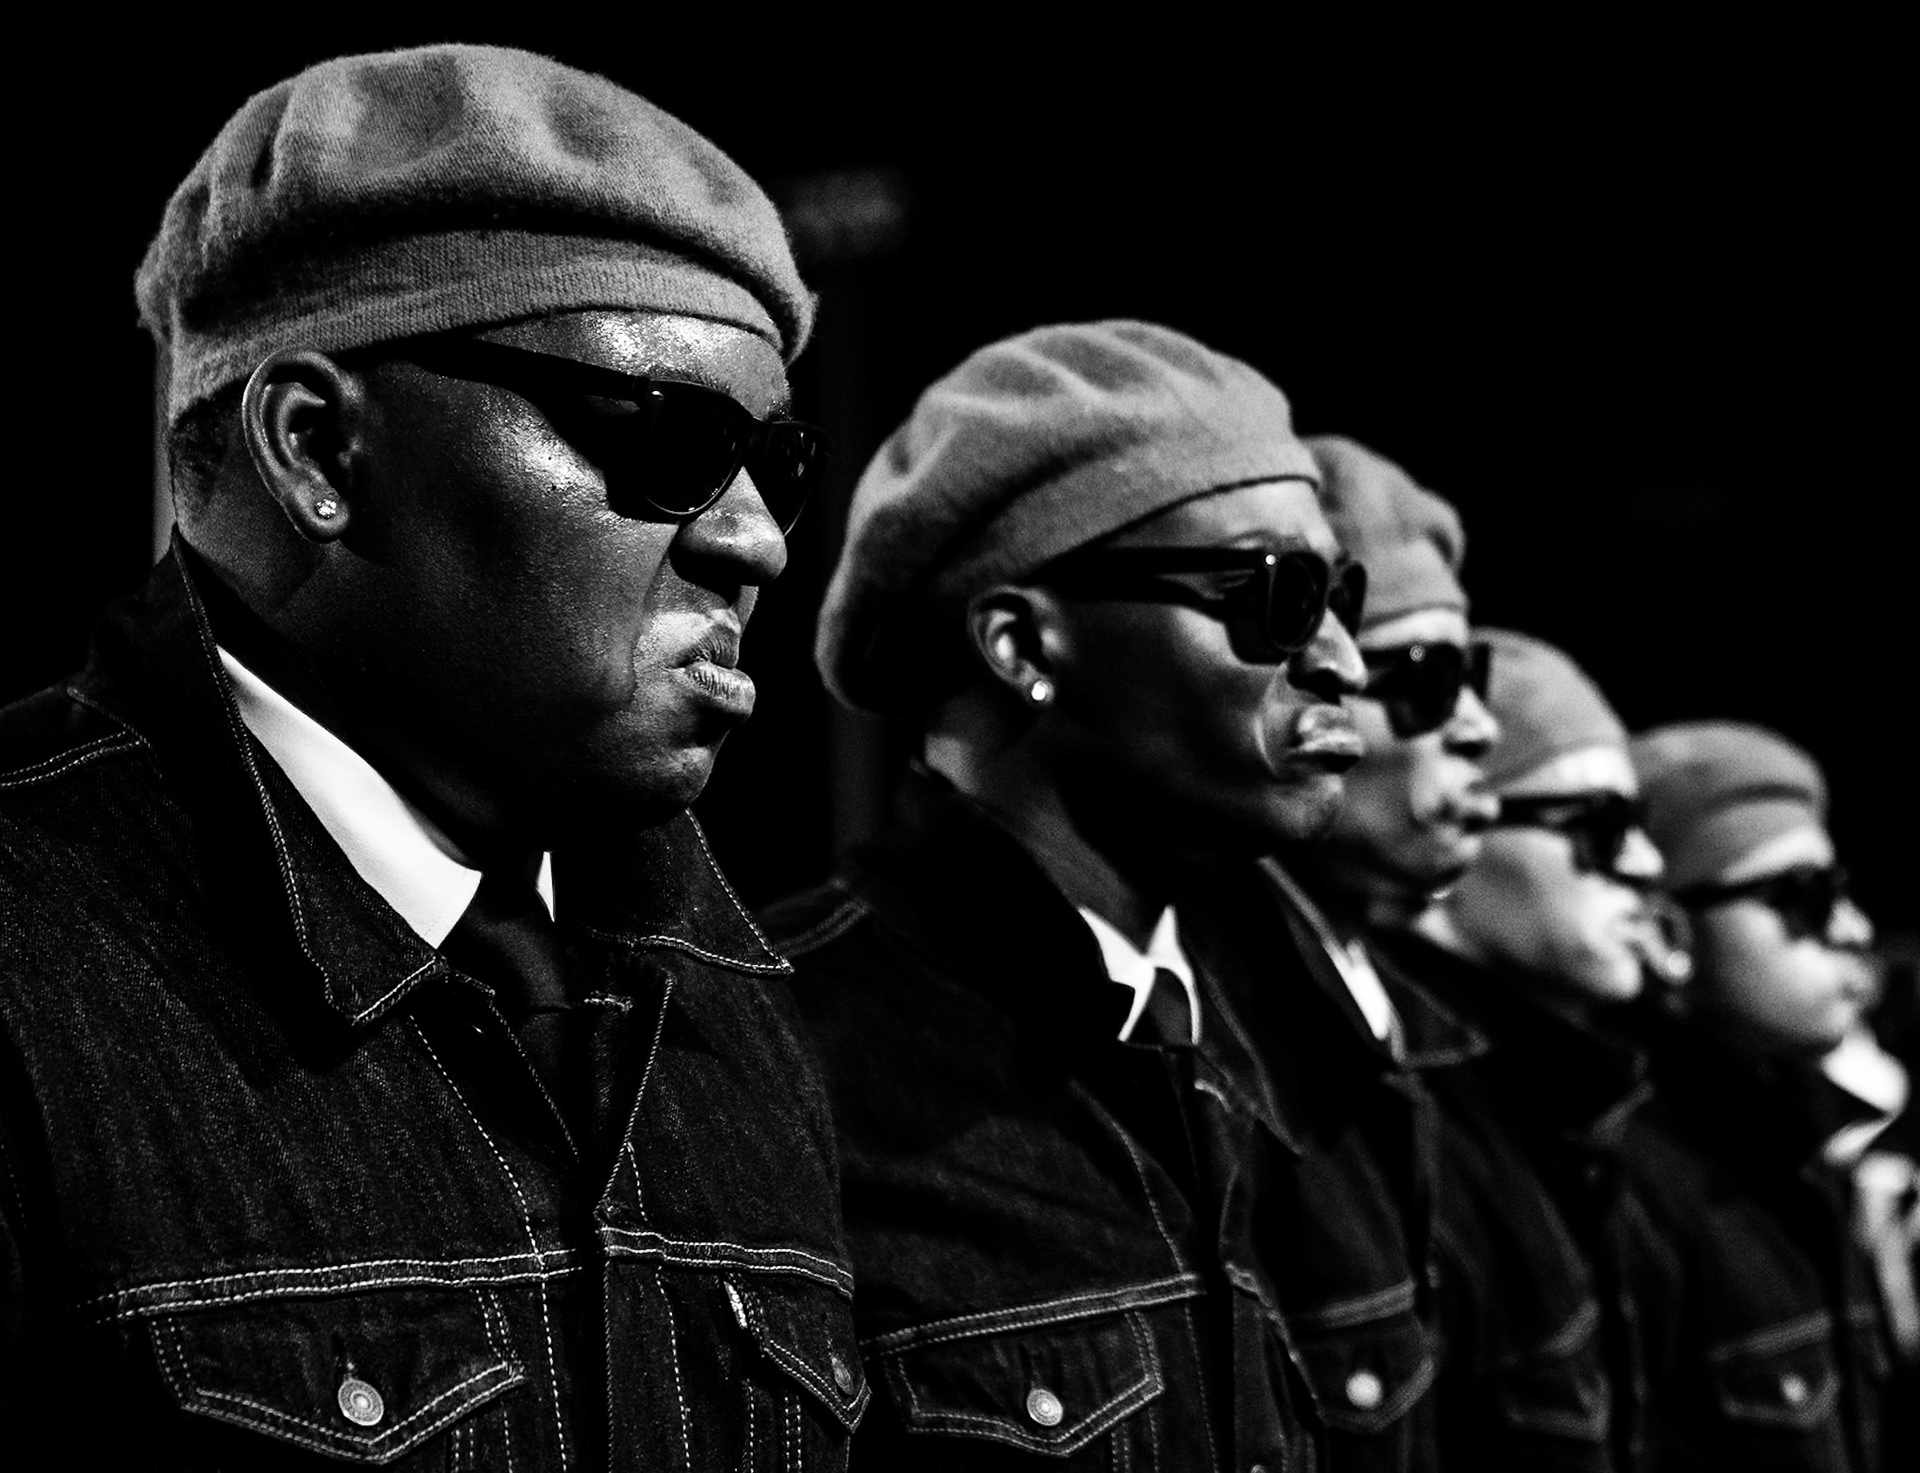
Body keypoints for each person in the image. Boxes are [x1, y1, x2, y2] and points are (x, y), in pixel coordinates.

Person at [0, 45, 867, 1467]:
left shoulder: (735, 1007)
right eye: (670, 439)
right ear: (316, 448)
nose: (756, 541)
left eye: (776, 466)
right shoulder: (28, 967)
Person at [763, 320, 1420, 1467]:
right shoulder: (781, 1050)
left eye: (1342, 598)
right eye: (1276, 594)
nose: (1343, 663)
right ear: (1023, 644)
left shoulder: (1296, 1037)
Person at [1378, 629, 1680, 1470]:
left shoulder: (1566, 1108)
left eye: (1639, 822)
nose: (1646, 863)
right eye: (1600, 825)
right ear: (1462, 822)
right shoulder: (1409, 1127)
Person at [1625, 721, 1889, 1470]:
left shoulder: (1799, 1145)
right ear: (1668, 927)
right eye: (1802, 896)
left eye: (1840, 890)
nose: (1853, 928)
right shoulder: (1628, 1188)